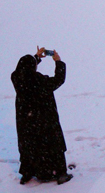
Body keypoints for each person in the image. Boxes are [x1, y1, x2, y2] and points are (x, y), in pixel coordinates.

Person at [11, 47, 73, 185]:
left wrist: (36, 57)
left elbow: (24, 68)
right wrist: (58, 62)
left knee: (29, 147)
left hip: (26, 123)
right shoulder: (39, 81)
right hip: (45, 121)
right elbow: (59, 79)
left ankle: (27, 173)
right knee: (53, 144)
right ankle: (60, 173)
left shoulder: (16, 78)